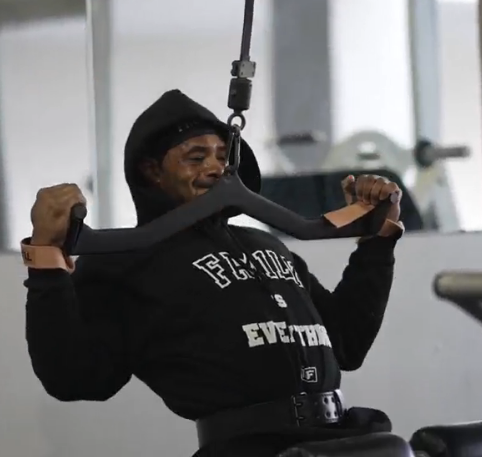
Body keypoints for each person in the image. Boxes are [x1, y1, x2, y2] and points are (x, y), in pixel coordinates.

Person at [21, 89, 405, 457]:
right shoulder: (126, 260)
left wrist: (377, 244)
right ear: (152, 170)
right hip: (247, 449)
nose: (214, 168)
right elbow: (72, 377)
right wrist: (46, 261)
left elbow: (347, 345)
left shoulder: (266, 244)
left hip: (343, 439)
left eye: (222, 156)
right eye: (195, 157)